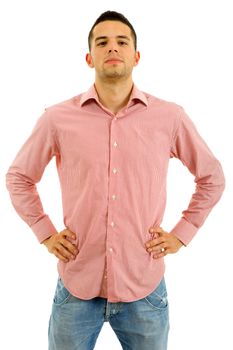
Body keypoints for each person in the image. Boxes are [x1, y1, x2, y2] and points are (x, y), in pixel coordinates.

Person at [6, 10, 225, 350]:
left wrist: (183, 234)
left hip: (144, 288)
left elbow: (212, 177)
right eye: (102, 42)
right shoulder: (57, 119)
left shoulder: (169, 117)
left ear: (136, 56)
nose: (112, 48)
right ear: (89, 56)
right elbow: (19, 177)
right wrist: (45, 232)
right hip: (77, 285)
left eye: (122, 42)